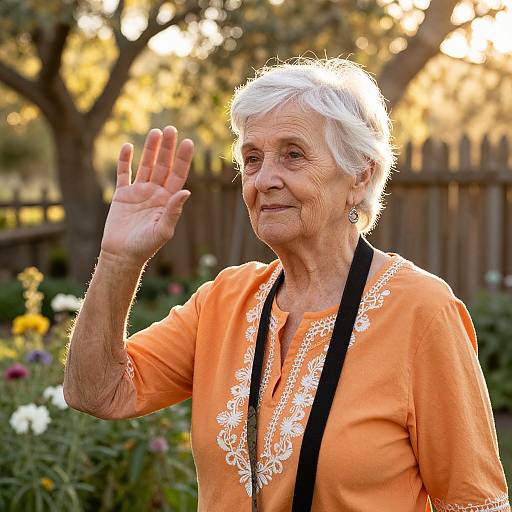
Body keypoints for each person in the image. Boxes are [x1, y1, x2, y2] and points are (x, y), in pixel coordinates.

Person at [63, 58, 510, 512]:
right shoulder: (223, 300)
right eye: (252, 159)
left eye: (293, 154)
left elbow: (475, 504)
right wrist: (120, 259)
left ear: (361, 175)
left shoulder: (422, 311)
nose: (265, 179)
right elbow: (97, 392)